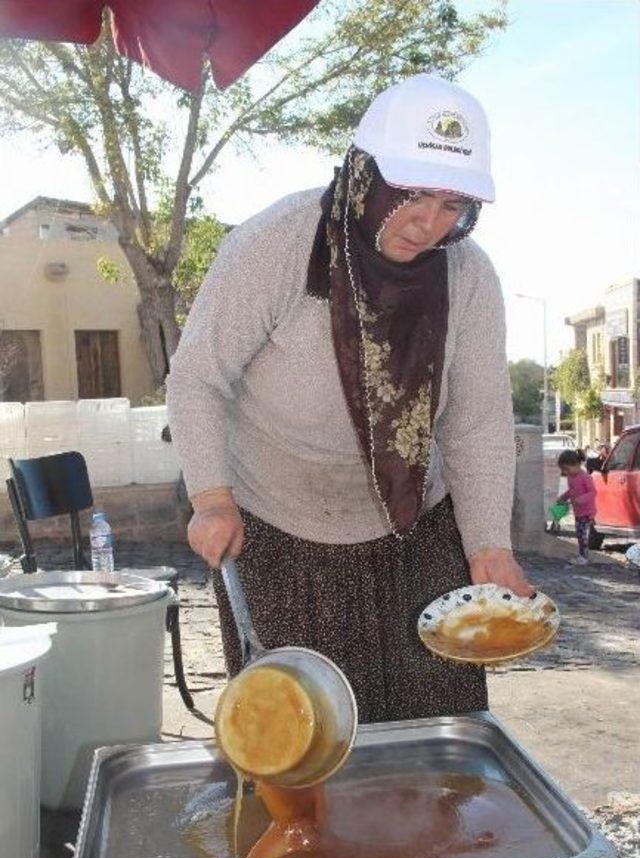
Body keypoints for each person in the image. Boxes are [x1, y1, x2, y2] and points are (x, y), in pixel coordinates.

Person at [166, 73, 533, 726]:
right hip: (280, 534)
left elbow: (476, 422)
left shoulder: (468, 275)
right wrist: (212, 499)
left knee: (435, 733)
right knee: (307, 743)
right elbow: (198, 376)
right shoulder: (276, 244)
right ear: (367, 175)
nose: (431, 223)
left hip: (416, 527)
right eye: (413, 195)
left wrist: (489, 546)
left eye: (454, 205)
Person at [556, 449, 597, 565]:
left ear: (577, 464)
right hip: (578, 511)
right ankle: (582, 555)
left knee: (583, 534)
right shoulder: (571, 477)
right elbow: (572, 490)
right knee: (579, 534)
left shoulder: (585, 477)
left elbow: (593, 492)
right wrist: (564, 497)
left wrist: (580, 499)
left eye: (567, 469)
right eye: (564, 470)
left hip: (587, 511)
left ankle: (584, 557)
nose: (566, 472)